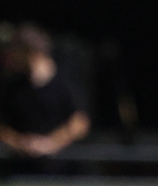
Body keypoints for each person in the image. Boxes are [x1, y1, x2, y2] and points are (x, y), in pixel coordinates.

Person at [0, 24, 90, 166]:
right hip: (20, 169)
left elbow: (80, 123)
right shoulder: (13, 86)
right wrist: (20, 142)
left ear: (28, 51)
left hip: (60, 169)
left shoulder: (65, 82)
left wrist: (49, 144)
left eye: (15, 50)